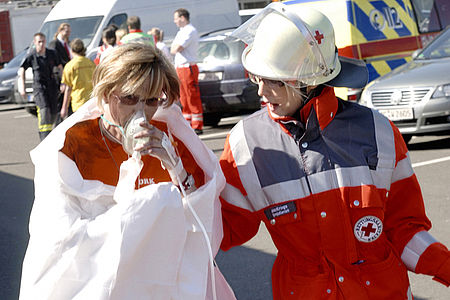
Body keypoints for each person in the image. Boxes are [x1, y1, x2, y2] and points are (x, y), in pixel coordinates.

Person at [219, 3, 450, 300]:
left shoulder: (378, 132)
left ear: (308, 80)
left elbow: (404, 230)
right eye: (256, 77)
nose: (261, 91)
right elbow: (220, 229)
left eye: (272, 80)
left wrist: (445, 267)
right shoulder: (246, 144)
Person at [19, 43, 236, 300]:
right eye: (130, 98)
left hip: (166, 284)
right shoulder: (71, 145)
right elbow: (59, 241)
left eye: (152, 100)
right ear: (105, 92)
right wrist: (140, 213)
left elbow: (202, 222)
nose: (141, 112)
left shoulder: (172, 138)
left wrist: (175, 167)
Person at [18, 33, 62, 141]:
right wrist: (22, 87)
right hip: (39, 88)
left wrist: (63, 82)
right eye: (39, 42)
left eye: (43, 41)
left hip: (52, 87)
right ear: (35, 43)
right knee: (44, 110)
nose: (41, 44)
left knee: (54, 113)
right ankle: (44, 138)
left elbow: (60, 67)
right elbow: (22, 70)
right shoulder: (32, 55)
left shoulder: (52, 53)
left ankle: (52, 137)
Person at [171, 8, 203, 134]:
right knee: (184, 97)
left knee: (191, 96)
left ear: (183, 17)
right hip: (181, 67)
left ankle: (197, 124)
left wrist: (175, 48)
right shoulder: (182, 32)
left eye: (176, 18)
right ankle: (188, 123)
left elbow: (176, 48)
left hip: (188, 67)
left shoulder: (190, 30)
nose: (175, 21)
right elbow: (173, 48)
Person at [60, 38, 96, 119]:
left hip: (78, 103)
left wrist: (64, 108)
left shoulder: (70, 66)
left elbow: (68, 88)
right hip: (91, 102)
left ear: (71, 50)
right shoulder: (91, 63)